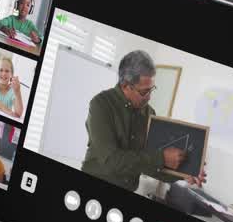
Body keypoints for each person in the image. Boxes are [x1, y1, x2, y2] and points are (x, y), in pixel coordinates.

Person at [81, 50, 205, 192]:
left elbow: (151, 166)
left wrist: (184, 173)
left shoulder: (150, 113)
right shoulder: (100, 104)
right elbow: (111, 160)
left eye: (151, 89)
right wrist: (161, 159)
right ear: (126, 86)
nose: (149, 97)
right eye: (144, 92)